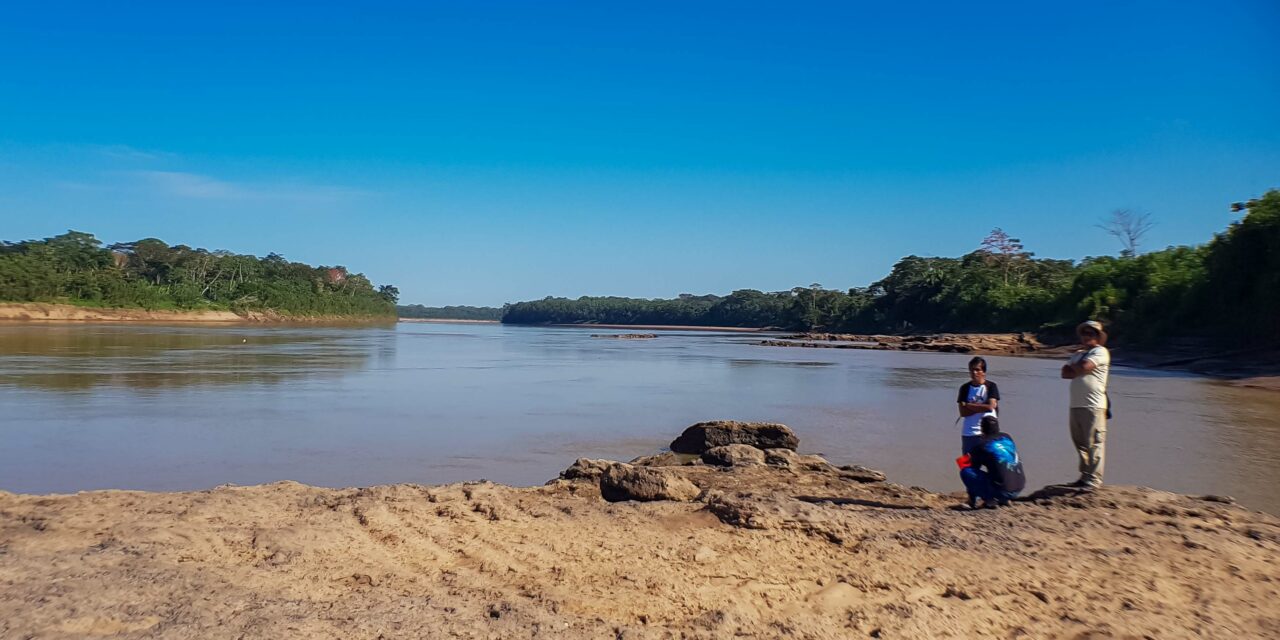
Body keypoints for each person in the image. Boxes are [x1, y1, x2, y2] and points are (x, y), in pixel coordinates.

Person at [1060, 320, 1111, 490]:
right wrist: (1076, 368)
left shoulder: (1100, 352)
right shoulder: (1079, 354)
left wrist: (1075, 368)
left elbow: (1085, 367)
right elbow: (1064, 373)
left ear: (1098, 337)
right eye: (1084, 333)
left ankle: (1094, 479)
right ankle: (1085, 475)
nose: (1086, 336)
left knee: (1094, 443)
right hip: (1076, 404)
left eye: (1091, 333)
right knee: (1080, 443)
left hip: (1093, 404)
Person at [958, 415, 1025, 509]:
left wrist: (968, 455)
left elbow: (966, 465)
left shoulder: (982, 445)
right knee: (999, 468)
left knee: (966, 471)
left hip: (1003, 491)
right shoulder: (1007, 437)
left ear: (982, 429)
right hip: (1019, 487)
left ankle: (986, 500)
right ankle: (1004, 499)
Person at [956, 356, 1000, 455]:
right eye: (971, 370)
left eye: (977, 370)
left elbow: (990, 407)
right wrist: (981, 407)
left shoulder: (991, 386)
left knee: (994, 466)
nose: (974, 373)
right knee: (966, 467)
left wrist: (967, 404)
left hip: (988, 434)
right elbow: (963, 413)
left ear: (983, 372)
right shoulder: (964, 388)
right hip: (968, 434)